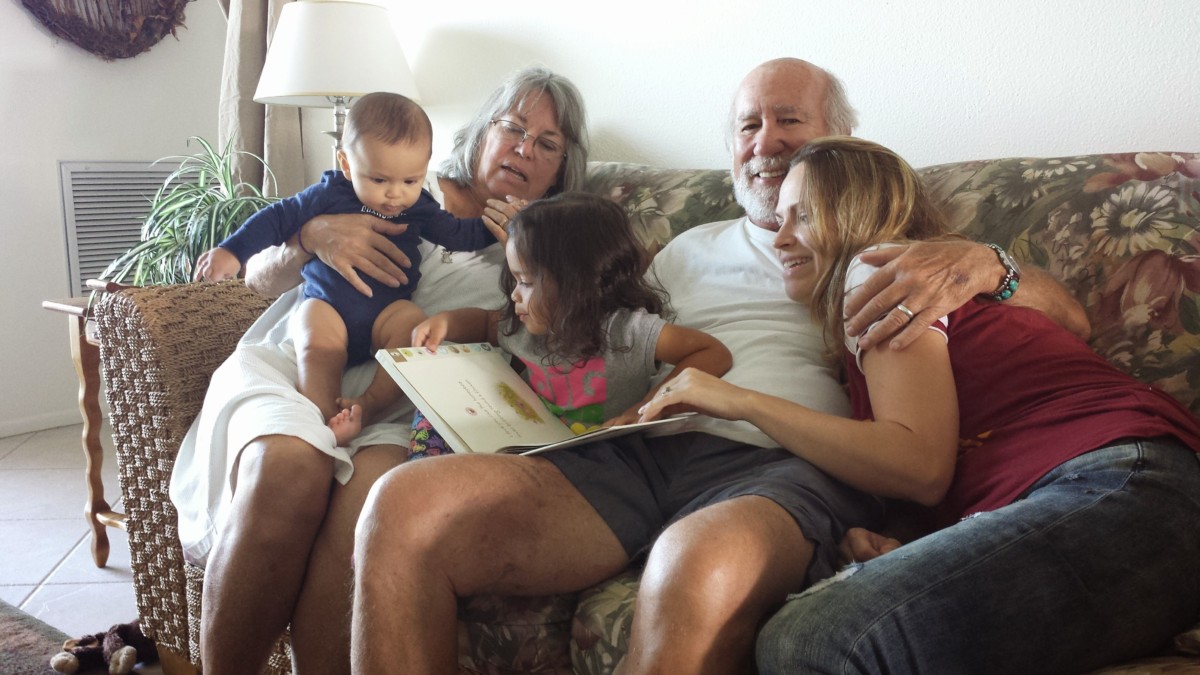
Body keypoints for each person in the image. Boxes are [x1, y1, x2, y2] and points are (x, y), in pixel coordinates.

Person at [349, 58, 1090, 674]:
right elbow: (594, 330)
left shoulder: (883, 244)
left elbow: (1065, 323)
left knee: (693, 560)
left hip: (784, 466)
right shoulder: (683, 248)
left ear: (839, 140)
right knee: (403, 504)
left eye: (789, 120)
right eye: (747, 125)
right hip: (637, 449)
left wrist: (987, 264)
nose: (766, 140)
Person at [696, 136, 1197, 674]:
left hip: (1121, 479)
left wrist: (741, 402)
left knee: (814, 639)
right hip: (1128, 493)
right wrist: (915, 548)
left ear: (857, 212)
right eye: (780, 219)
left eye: (804, 216)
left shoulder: (879, 274)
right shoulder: (936, 290)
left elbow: (918, 463)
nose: (780, 238)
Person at [168, 65, 589, 675]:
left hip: (407, 398)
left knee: (368, 508)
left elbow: (579, 333)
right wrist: (312, 236)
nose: (524, 149)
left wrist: (537, 261)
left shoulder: (553, 241)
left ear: (563, 167)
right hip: (302, 356)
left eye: (547, 143)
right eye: (514, 127)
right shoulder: (395, 179)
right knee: (287, 468)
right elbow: (258, 281)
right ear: (482, 130)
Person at [194, 92, 499, 445]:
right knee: (315, 342)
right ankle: (325, 416)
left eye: (410, 181)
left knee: (411, 327)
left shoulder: (420, 208)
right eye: (379, 180)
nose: (395, 194)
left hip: (387, 312)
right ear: (347, 164)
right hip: (329, 307)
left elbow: (459, 235)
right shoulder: (329, 195)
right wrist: (232, 251)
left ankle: (367, 406)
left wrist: (498, 226)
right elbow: (276, 218)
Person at [411, 192, 732, 449]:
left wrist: (649, 405)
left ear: (576, 283)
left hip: (594, 452)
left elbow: (712, 352)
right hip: (520, 439)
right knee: (430, 413)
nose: (514, 295)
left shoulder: (626, 331)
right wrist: (445, 323)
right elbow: (484, 324)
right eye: (515, 280)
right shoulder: (527, 327)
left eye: (526, 281)